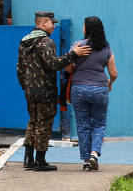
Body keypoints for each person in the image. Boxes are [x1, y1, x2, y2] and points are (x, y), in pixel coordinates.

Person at [17, 11, 92, 171]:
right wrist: (73, 54)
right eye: (52, 23)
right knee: (44, 124)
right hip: (45, 91)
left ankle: (28, 159)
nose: (54, 26)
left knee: (33, 122)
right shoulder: (45, 42)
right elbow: (53, 64)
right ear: (43, 23)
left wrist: (26, 86)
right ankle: (40, 161)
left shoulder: (25, 41)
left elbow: (20, 70)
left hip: (30, 91)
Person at [64, 16, 118, 172]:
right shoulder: (106, 47)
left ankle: (86, 161)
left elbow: (67, 69)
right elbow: (113, 73)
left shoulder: (77, 46)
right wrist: (110, 84)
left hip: (79, 89)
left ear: (86, 29)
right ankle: (94, 154)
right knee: (99, 124)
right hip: (99, 89)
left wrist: (76, 57)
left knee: (83, 125)